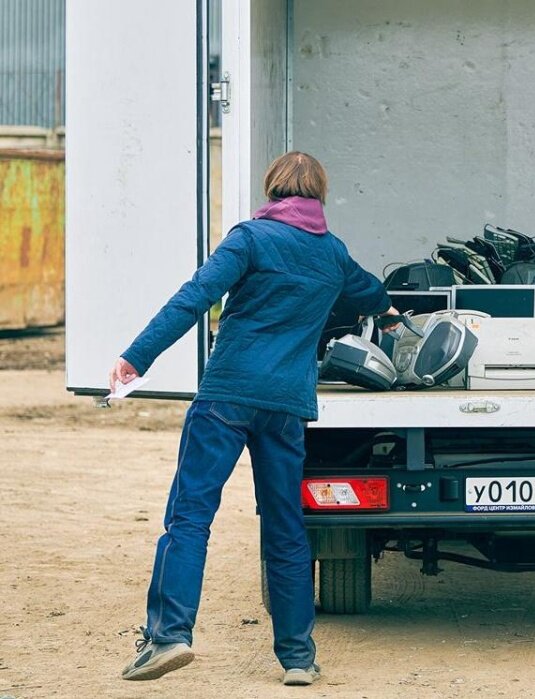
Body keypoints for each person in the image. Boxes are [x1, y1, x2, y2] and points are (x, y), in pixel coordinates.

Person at [112, 152, 396, 685]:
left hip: (227, 397)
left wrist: (137, 357)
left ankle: (170, 635)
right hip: (286, 407)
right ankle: (297, 658)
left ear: (274, 191)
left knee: (190, 515)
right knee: (287, 528)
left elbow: (194, 297)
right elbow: (373, 293)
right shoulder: (332, 253)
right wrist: (388, 313)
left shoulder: (249, 238)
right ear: (318, 197)